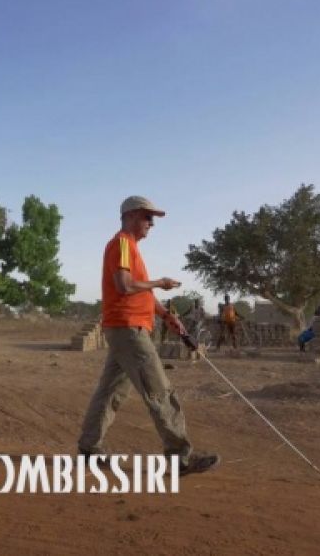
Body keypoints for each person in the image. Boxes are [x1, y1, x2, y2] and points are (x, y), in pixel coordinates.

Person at [77, 196, 219, 475]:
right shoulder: (121, 243)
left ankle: (89, 448)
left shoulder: (130, 248)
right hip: (129, 329)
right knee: (159, 391)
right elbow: (125, 285)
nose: (151, 224)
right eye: (146, 217)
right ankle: (181, 457)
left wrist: (167, 315)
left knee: (110, 392)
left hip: (126, 328)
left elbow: (141, 291)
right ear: (130, 216)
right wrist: (161, 282)